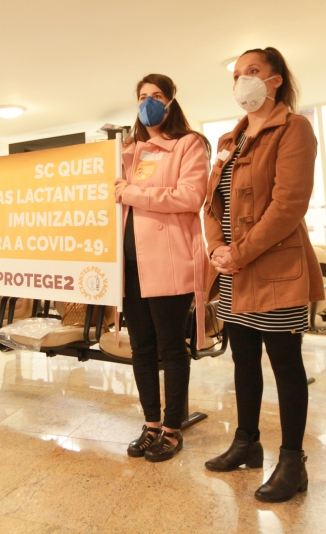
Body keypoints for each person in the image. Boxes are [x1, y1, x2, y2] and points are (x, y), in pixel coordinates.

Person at [203, 47, 324, 502]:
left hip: (274, 268)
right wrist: (217, 247)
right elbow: (211, 203)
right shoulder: (229, 140)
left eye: (252, 71)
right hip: (234, 267)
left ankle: (292, 462)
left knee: (285, 363)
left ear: (275, 80)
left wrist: (241, 252)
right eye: (236, 74)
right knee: (243, 358)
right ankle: (246, 441)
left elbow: (289, 204)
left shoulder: (295, 129)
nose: (242, 81)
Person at [115, 74, 210, 463]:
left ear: (170, 102)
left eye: (156, 96)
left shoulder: (188, 144)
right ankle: (151, 423)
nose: (148, 102)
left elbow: (190, 197)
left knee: (171, 349)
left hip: (169, 261)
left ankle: (172, 427)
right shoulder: (129, 152)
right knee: (141, 349)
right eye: (142, 97)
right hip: (130, 265)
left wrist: (132, 192)